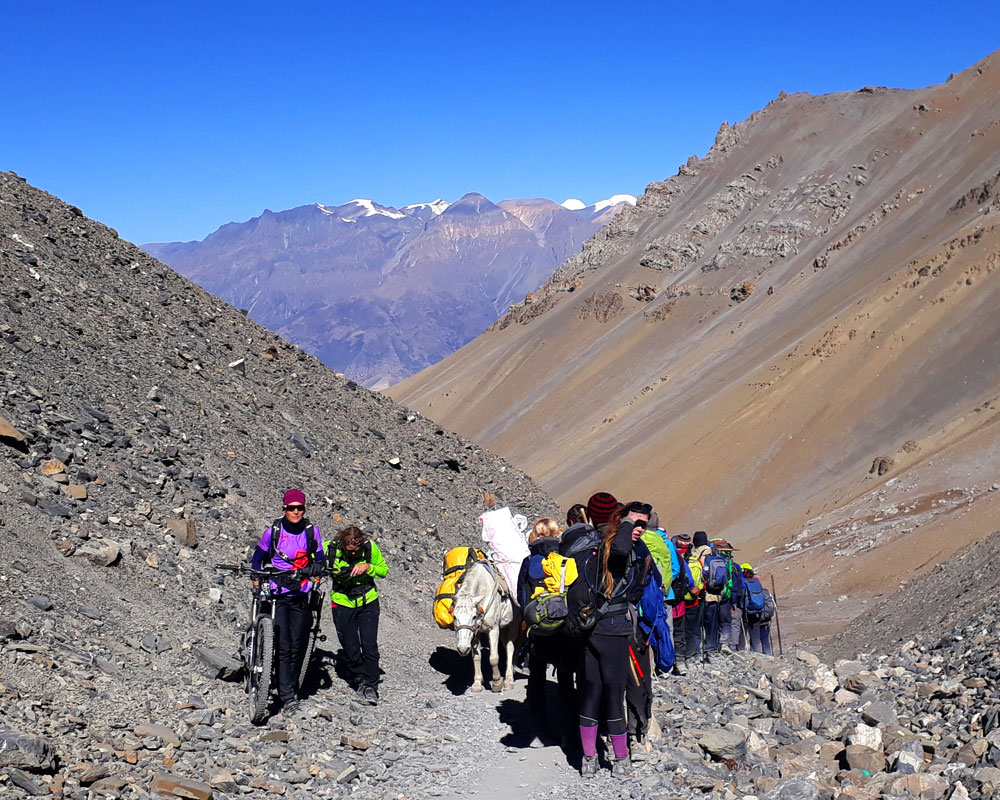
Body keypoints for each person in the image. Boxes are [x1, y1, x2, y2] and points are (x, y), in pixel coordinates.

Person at [576, 501, 651, 778]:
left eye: (644, 524)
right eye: (636, 523)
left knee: (591, 692)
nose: (640, 529)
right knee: (612, 694)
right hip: (612, 630)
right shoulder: (619, 547)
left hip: (591, 628)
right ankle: (620, 759)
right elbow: (622, 549)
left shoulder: (597, 543)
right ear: (621, 521)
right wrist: (628, 522)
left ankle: (588, 759)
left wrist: (625, 523)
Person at [250, 489, 326, 714]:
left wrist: (315, 569)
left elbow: (320, 560)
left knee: (296, 646)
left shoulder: (312, 532)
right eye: (291, 508)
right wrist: (257, 580)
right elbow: (257, 559)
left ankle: (288, 687)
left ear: (304, 509)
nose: (295, 512)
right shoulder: (273, 532)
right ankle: (287, 696)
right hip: (278, 595)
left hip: (301, 595)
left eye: (299, 508)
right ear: (284, 509)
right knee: (284, 646)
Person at [516, 517, 575, 744]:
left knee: (537, 676)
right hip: (563, 625)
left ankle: (540, 725)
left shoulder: (529, 561)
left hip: (538, 627)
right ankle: (569, 728)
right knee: (566, 677)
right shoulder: (565, 558)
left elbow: (521, 595)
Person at [325, 525, 388, 705]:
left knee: (369, 645)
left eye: (356, 551)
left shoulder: (370, 548)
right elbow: (309, 556)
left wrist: (368, 567)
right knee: (350, 646)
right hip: (342, 601)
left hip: (368, 600)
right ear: (342, 544)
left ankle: (370, 685)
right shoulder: (329, 548)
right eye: (350, 550)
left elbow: (383, 570)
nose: (353, 554)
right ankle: (358, 678)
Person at [739, 563, 773, 655]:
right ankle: (756, 652)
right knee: (755, 633)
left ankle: (741, 651)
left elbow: (740, 596)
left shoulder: (742, 582)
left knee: (743, 632)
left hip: (745, 611)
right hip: (757, 610)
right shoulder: (756, 582)